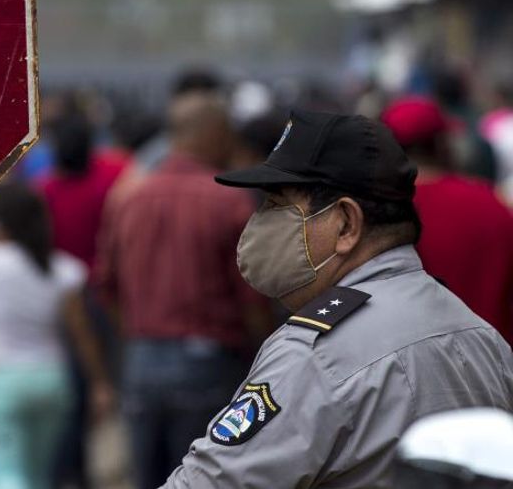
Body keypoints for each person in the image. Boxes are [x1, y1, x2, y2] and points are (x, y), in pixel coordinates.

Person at [163, 109, 513, 488]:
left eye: (277, 206)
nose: (259, 221)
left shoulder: (314, 356)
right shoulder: (482, 338)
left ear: (346, 223)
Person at [95, 93, 272, 489]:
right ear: (211, 134)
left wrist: (139, 335)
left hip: (142, 360)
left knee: (149, 477)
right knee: (207, 478)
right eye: (226, 134)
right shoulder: (229, 202)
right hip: (208, 362)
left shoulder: (128, 198)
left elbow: (107, 287)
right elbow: (251, 296)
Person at [0, 183, 112, 489]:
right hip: (51, 377)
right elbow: (82, 334)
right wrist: (100, 382)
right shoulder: (62, 269)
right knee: (39, 475)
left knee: (6, 473)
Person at [38, 112, 129, 489]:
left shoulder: (44, 190)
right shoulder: (109, 181)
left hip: (59, 299)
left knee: (72, 386)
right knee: (106, 381)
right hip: (102, 297)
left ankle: (72, 468)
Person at [381, 96, 513, 343]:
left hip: (409, 370)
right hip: (497, 367)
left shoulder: (374, 213)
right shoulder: (490, 202)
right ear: (441, 145)